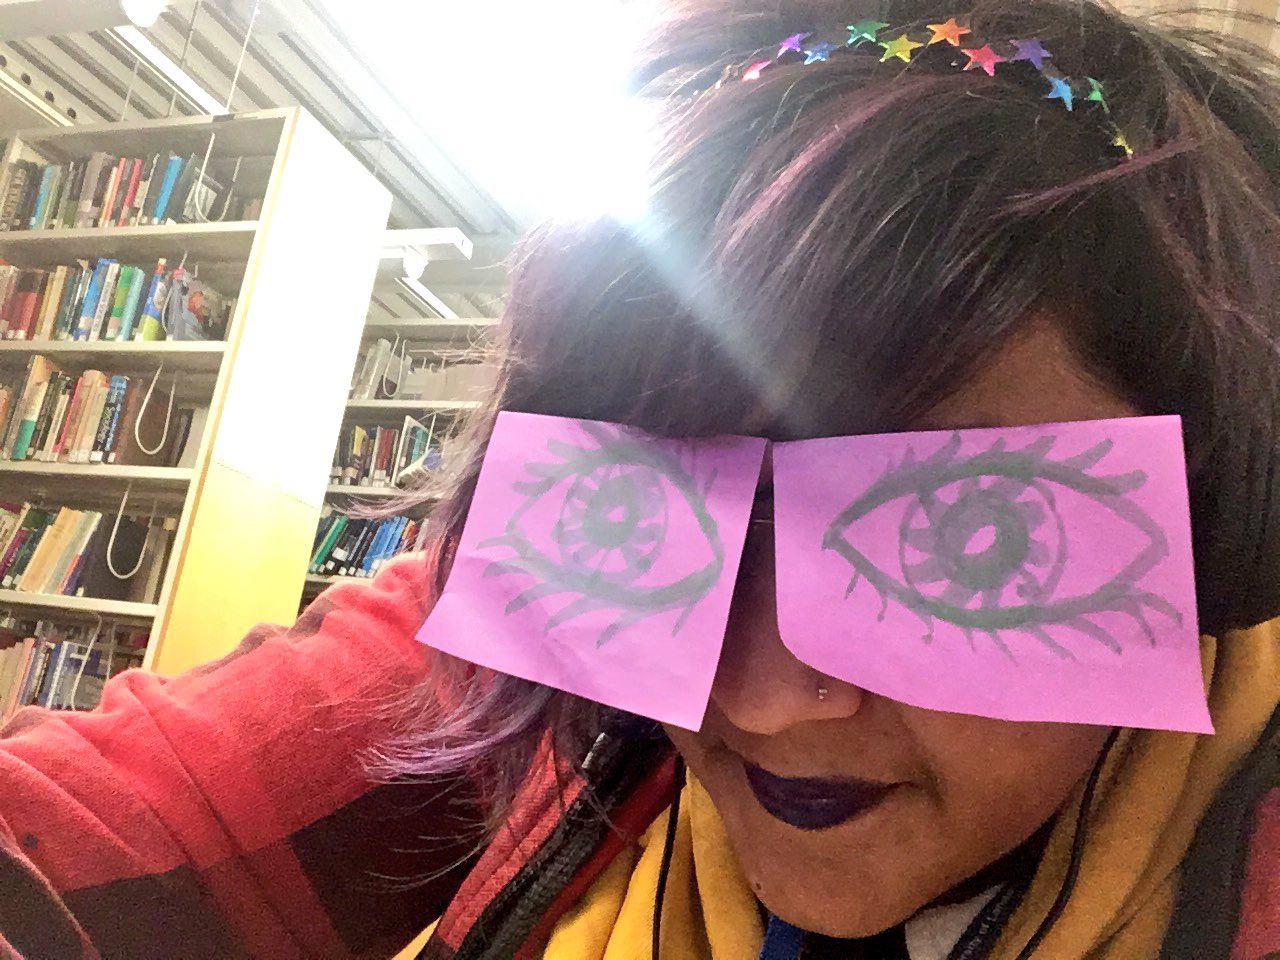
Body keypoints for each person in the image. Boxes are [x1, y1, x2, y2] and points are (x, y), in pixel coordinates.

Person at [2, 1, 1278, 957]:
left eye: (974, 536)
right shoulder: (552, 646)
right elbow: (76, 825)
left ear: (1210, 524)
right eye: (653, 508)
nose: (762, 703)